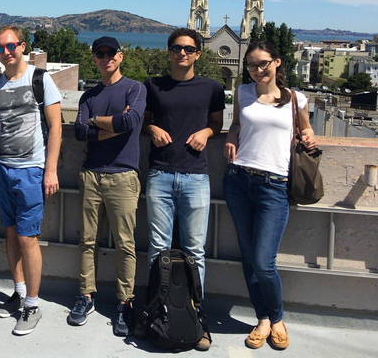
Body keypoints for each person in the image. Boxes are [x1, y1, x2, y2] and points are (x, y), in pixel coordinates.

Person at [223, 40, 315, 351]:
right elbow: (235, 125)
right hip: (238, 180)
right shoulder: (242, 93)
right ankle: (262, 318)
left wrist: (310, 136)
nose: (258, 70)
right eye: (251, 65)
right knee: (249, 257)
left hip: (275, 185)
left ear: (277, 62)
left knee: (264, 260)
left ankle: (277, 318)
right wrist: (231, 140)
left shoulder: (296, 100)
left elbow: (306, 131)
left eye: (263, 63)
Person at [142, 28, 224, 350]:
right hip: (161, 174)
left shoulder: (212, 88)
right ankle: (153, 315)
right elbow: (144, 120)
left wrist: (206, 131)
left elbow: (217, 123)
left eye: (189, 49)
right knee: (157, 248)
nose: (182, 53)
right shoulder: (153, 86)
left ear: (198, 54)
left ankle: (196, 318)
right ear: (169, 51)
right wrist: (152, 129)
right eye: (176, 48)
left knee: (195, 252)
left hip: (196, 178)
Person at [0, 25, 62, 336]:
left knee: (28, 238)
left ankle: (32, 304)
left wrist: (51, 169)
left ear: (23, 46)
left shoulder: (41, 79)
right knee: (11, 233)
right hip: (2, 168)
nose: (6, 52)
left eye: (11, 45)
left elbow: (55, 127)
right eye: (0, 47)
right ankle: (18, 291)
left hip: (31, 170)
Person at [70, 37, 146, 335]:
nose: (105, 58)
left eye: (110, 53)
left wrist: (97, 122)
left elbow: (131, 121)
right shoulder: (88, 95)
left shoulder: (134, 88)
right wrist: (110, 126)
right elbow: (78, 130)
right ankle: (86, 295)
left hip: (123, 177)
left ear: (120, 56)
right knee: (87, 241)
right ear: (94, 60)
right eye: (100, 54)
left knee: (125, 244)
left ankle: (125, 303)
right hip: (91, 175)